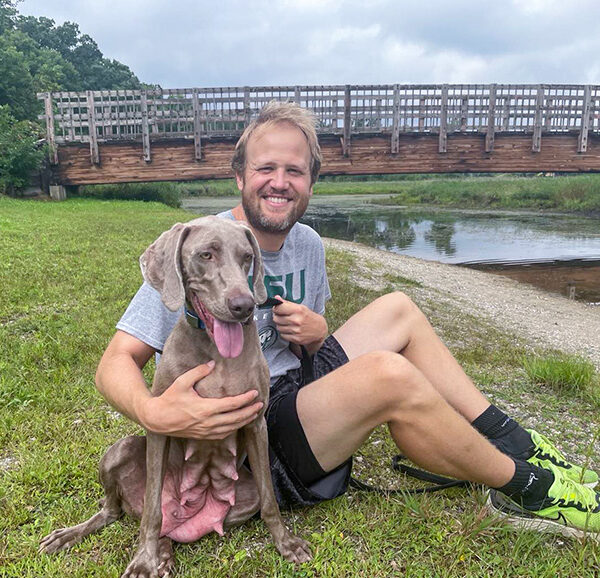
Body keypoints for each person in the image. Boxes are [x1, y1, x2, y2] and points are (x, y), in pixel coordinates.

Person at [96, 101, 600, 539]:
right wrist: (152, 412)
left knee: (399, 306)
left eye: (294, 171)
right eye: (265, 168)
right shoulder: (202, 247)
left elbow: (303, 351)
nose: (280, 182)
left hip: (296, 387)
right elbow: (116, 360)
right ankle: (528, 488)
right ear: (240, 177)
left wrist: (318, 335)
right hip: (252, 429)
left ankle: (520, 444)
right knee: (388, 375)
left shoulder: (308, 243)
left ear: (311, 182)